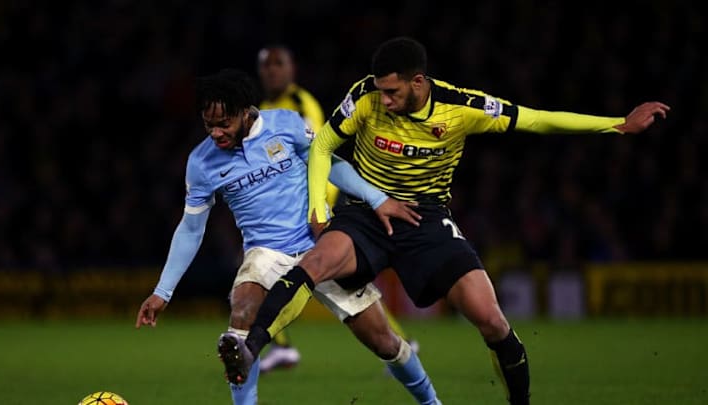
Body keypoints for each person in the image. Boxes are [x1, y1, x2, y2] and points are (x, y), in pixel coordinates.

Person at [222, 37, 671, 405]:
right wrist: (318, 209)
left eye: (393, 91)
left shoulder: (462, 107)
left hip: (426, 220)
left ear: (419, 82)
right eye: (380, 90)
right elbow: (322, 146)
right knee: (315, 261)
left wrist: (617, 124)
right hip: (365, 214)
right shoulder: (364, 96)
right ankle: (250, 346)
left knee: (492, 321)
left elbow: (537, 120)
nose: (384, 99)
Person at [134, 68, 442, 405]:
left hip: (320, 248)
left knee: (385, 341)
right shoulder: (202, 163)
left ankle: (431, 402)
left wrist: (377, 198)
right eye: (209, 125)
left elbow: (331, 164)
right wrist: (162, 291)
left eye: (224, 123)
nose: (216, 133)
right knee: (241, 318)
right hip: (266, 253)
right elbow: (191, 228)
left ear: (245, 111)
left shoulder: (286, 123)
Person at [255, 44, 420, 373]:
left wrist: (320, 211)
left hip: (314, 205)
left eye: (279, 63)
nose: (272, 70)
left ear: (292, 69)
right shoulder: (263, 108)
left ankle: (397, 341)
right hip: (289, 206)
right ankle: (282, 345)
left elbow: (320, 153)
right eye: (267, 65)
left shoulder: (301, 105)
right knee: (317, 279)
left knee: (303, 274)